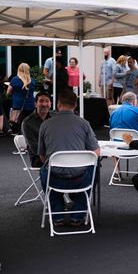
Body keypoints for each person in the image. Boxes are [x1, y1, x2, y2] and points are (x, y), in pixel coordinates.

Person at [38, 90, 100, 226]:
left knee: (44, 170)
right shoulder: (84, 124)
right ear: (75, 105)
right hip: (80, 179)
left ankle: (56, 216)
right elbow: (95, 153)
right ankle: (78, 215)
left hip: (54, 179)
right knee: (95, 169)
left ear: (58, 104)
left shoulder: (45, 125)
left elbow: (42, 156)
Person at [22, 92, 52, 167]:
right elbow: (35, 149)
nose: (44, 104)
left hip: (55, 154)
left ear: (50, 103)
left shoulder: (54, 118)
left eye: (47, 101)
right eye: (41, 101)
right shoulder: (27, 123)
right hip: (38, 158)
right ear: (35, 104)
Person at [6, 63, 36, 133]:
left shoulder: (15, 79)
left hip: (18, 104)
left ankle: (20, 137)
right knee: (28, 123)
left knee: (18, 123)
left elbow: (8, 92)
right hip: (30, 104)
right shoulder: (32, 80)